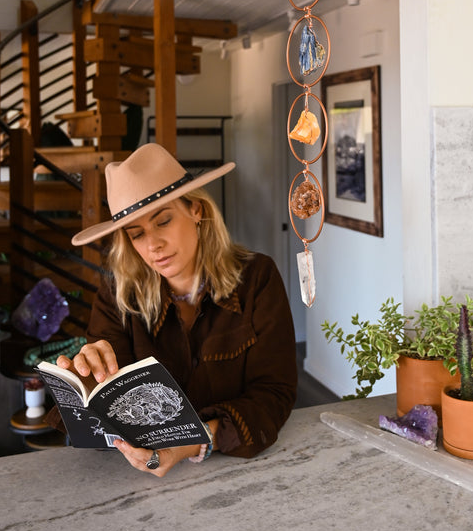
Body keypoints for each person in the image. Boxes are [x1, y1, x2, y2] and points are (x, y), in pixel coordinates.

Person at [56, 143, 298, 478]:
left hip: (244, 473)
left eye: (163, 221)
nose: (153, 245)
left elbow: (275, 395)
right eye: (137, 234)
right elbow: (108, 419)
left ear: (196, 209)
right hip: (141, 483)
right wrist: (84, 379)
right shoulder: (118, 295)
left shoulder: (257, 279)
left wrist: (193, 442)